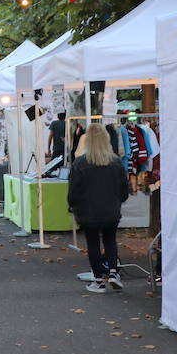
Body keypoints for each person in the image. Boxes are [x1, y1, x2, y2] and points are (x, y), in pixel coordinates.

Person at [67, 123, 131, 292]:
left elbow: (74, 191)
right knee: (110, 240)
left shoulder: (80, 163)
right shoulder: (116, 163)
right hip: (111, 210)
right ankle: (112, 272)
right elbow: (125, 190)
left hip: (88, 212)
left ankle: (98, 280)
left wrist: (72, 205)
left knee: (93, 243)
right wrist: (117, 201)